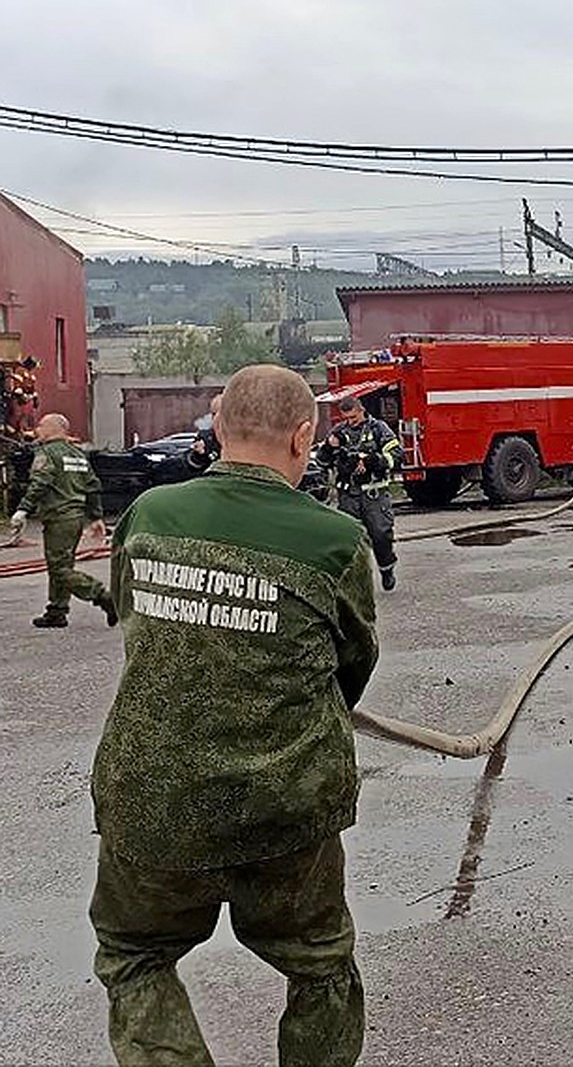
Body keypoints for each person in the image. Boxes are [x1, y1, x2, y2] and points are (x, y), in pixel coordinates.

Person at [89, 363, 378, 1067]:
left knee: (136, 956)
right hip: (282, 809)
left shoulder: (150, 515)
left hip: (149, 801)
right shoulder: (335, 540)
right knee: (319, 969)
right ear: (304, 436)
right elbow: (352, 667)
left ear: (217, 425)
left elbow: (133, 616)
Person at [9, 412, 117, 629]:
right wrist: (96, 516)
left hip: (59, 516)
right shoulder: (77, 454)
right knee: (62, 564)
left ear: (54, 429)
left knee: (59, 568)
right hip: (75, 518)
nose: (37, 430)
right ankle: (56, 611)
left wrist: (23, 510)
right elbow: (93, 485)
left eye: (41, 425)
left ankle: (103, 596)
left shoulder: (48, 453)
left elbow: (40, 482)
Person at [316, 396, 401, 591]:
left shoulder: (378, 428)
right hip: (348, 496)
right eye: (347, 418)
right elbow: (322, 460)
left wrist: (374, 460)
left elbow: (397, 455)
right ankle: (353, 582)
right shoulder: (339, 432)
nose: (351, 421)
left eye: (354, 417)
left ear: (361, 410)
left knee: (381, 535)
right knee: (348, 539)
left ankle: (386, 569)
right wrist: (330, 447)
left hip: (374, 495)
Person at [188, 392, 223, 470]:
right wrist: (199, 455)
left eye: (221, 413)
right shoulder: (204, 437)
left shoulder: (239, 436)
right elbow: (192, 466)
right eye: (213, 414)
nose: (216, 418)